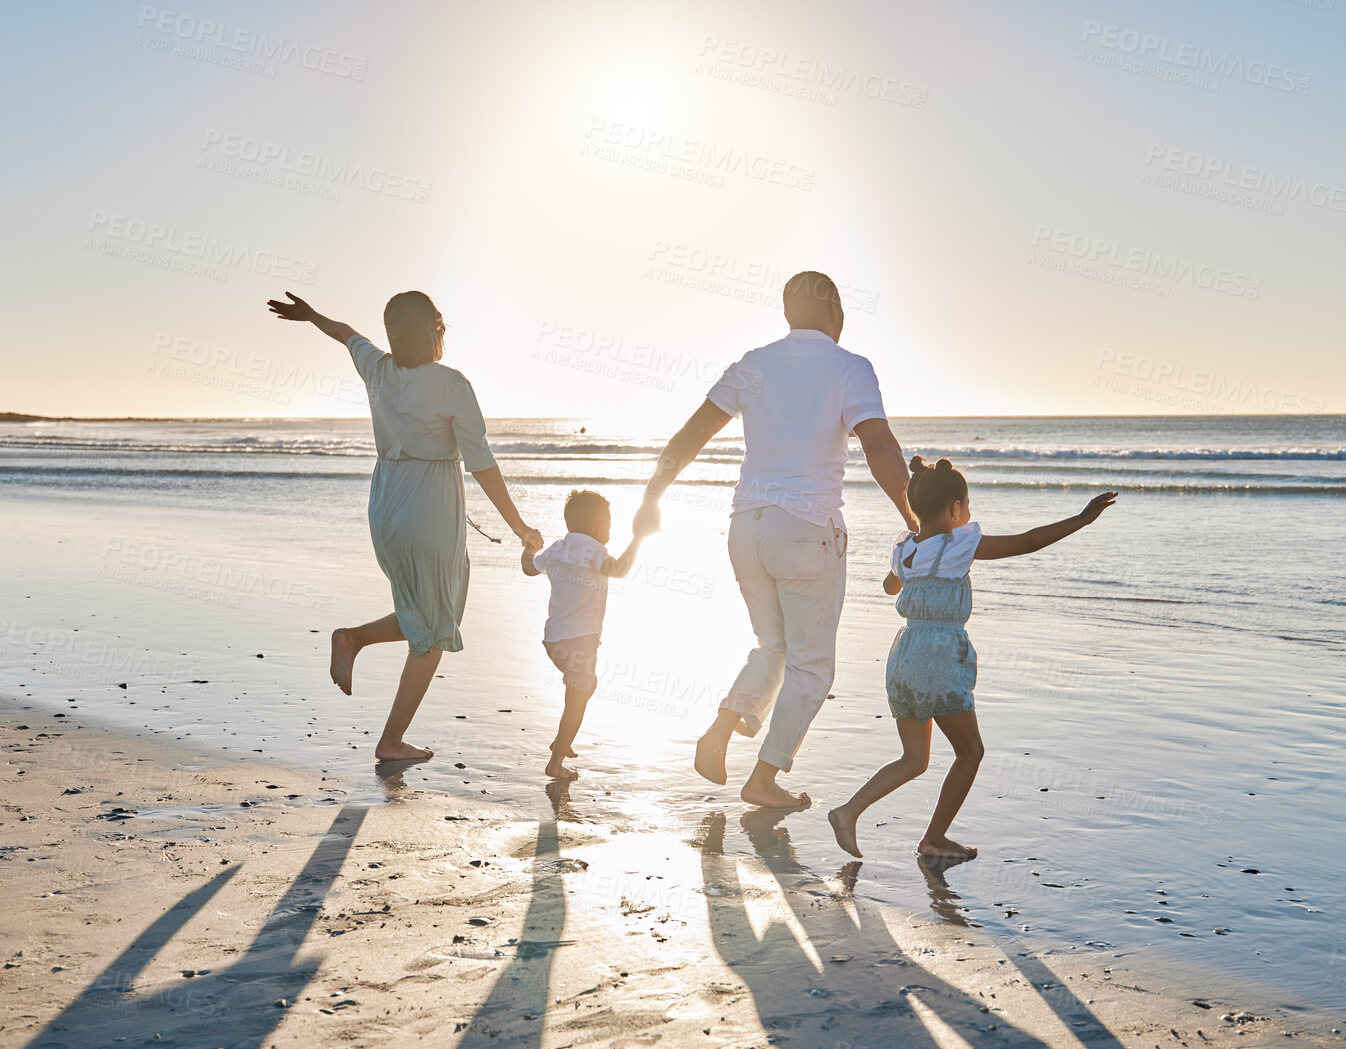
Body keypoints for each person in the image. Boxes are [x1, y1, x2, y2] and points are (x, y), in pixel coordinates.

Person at [633, 272, 916, 809]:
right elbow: (877, 444)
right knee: (811, 666)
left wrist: (652, 496)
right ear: (834, 309)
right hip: (807, 531)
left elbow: (690, 435)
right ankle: (763, 779)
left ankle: (719, 732)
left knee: (774, 647)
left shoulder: (752, 364)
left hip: (747, 527)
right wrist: (913, 515)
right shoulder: (851, 368)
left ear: (788, 312)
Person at [266, 290, 542, 762]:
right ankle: (391, 741)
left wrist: (311, 314)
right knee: (434, 632)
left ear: (393, 334)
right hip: (429, 507)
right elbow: (481, 463)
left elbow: (346, 334)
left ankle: (353, 639)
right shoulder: (452, 383)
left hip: (386, 502)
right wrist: (519, 527)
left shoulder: (378, 369)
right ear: (436, 329)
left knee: (423, 613)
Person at [827, 457, 1117, 859]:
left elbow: (889, 586)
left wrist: (913, 562)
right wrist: (1082, 518)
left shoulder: (905, 549)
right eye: (966, 504)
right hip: (939, 660)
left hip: (904, 656)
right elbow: (1028, 542)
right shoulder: (960, 545)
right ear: (954, 509)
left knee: (913, 759)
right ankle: (932, 839)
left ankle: (849, 811)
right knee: (970, 752)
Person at [520, 489, 645, 780]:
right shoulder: (595, 552)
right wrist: (638, 539)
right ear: (599, 524)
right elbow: (618, 569)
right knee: (578, 696)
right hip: (580, 641)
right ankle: (556, 759)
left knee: (583, 688)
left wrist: (529, 547)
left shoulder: (557, 548)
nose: (611, 530)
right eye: (610, 524)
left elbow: (529, 568)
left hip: (553, 641)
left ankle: (562, 741)